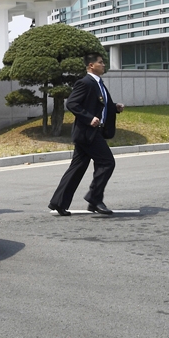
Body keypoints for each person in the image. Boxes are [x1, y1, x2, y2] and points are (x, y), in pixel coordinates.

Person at [48, 53, 125, 216]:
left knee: (77, 167)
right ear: (91, 66)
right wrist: (89, 118)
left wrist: (114, 107)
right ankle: (94, 199)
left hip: (90, 133)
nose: (103, 65)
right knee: (107, 162)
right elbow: (72, 103)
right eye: (100, 63)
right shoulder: (85, 82)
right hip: (87, 133)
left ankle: (59, 203)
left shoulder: (98, 83)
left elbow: (100, 103)